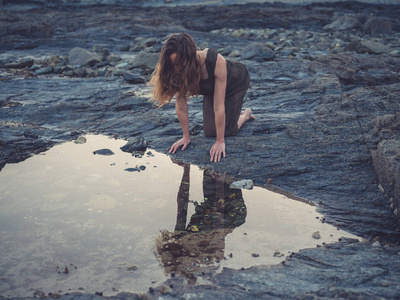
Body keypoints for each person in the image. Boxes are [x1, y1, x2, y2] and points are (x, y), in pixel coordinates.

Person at [149, 32, 255, 162]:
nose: (176, 68)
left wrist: (220, 141)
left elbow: (218, 106)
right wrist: (186, 137)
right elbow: (181, 104)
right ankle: (235, 113)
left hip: (236, 83)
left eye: (179, 63)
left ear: (190, 56)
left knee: (226, 131)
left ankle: (246, 115)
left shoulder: (216, 61)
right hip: (213, 91)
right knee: (210, 131)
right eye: (173, 64)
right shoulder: (176, 68)